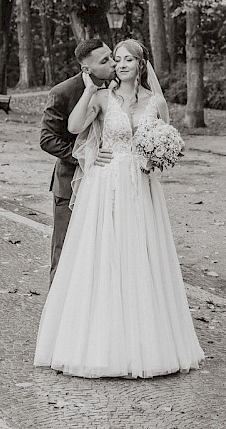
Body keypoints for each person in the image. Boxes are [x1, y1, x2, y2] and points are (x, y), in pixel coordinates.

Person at [34, 39, 204, 379]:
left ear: (140, 65)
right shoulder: (100, 96)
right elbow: (71, 129)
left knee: (139, 256)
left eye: (127, 59)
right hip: (104, 184)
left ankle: (146, 341)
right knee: (98, 255)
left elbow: (167, 135)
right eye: (117, 59)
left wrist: (160, 153)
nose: (120, 64)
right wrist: (88, 93)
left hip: (141, 186)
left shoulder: (155, 101)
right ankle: (91, 339)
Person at [38, 38, 115, 283]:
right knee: (64, 251)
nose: (113, 63)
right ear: (86, 69)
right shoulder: (63, 92)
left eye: (111, 56)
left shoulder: (121, 89)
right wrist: (85, 155)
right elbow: (47, 139)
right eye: (105, 61)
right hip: (69, 185)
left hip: (109, 184)